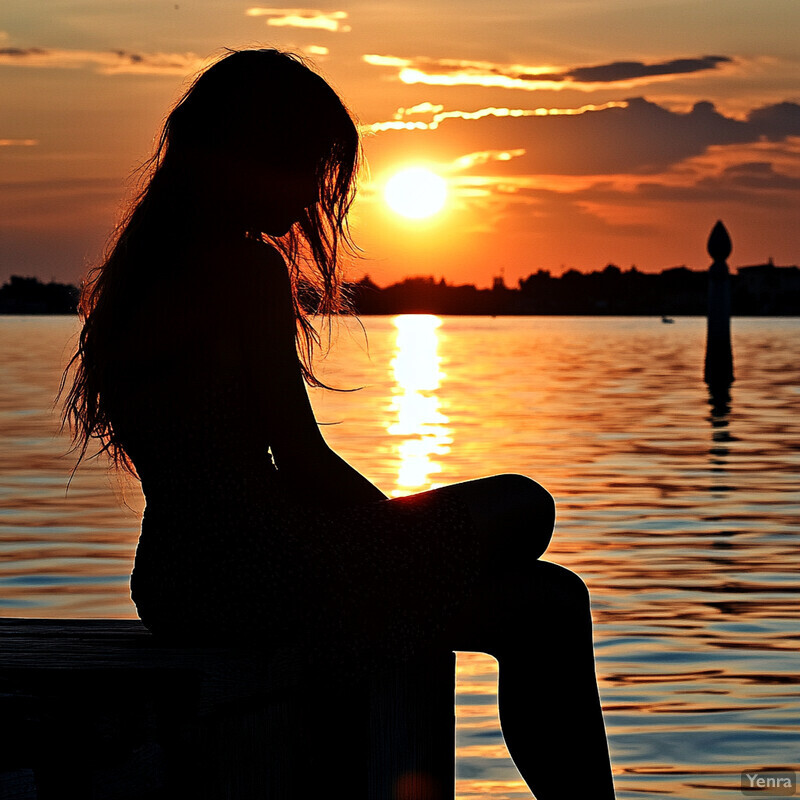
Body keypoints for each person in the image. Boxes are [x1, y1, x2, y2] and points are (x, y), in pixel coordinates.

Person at [59, 47, 616, 798]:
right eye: (305, 165)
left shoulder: (138, 277)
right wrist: (393, 541)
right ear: (250, 156)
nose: (314, 192)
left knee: (545, 604)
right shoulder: (243, 271)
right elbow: (302, 457)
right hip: (260, 574)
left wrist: (394, 546)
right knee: (523, 505)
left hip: (178, 583)